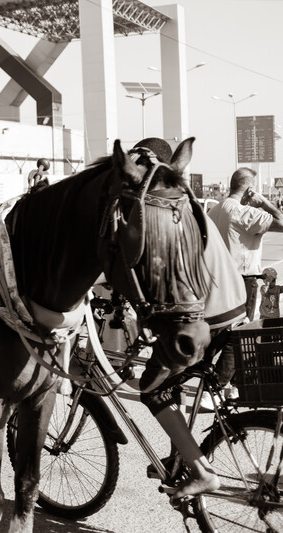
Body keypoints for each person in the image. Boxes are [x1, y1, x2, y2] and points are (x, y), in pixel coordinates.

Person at [125, 138, 247, 498]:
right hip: (233, 311)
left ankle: (199, 469)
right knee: (173, 383)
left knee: (153, 388)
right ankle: (183, 455)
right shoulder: (189, 205)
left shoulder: (165, 211)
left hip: (209, 320)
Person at [208, 168, 283, 321]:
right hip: (242, 283)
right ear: (250, 190)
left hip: (216, 281)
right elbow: (281, 222)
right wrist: (264, 202)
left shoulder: (212, 211)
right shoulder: (243, 212)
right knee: (240, 333)